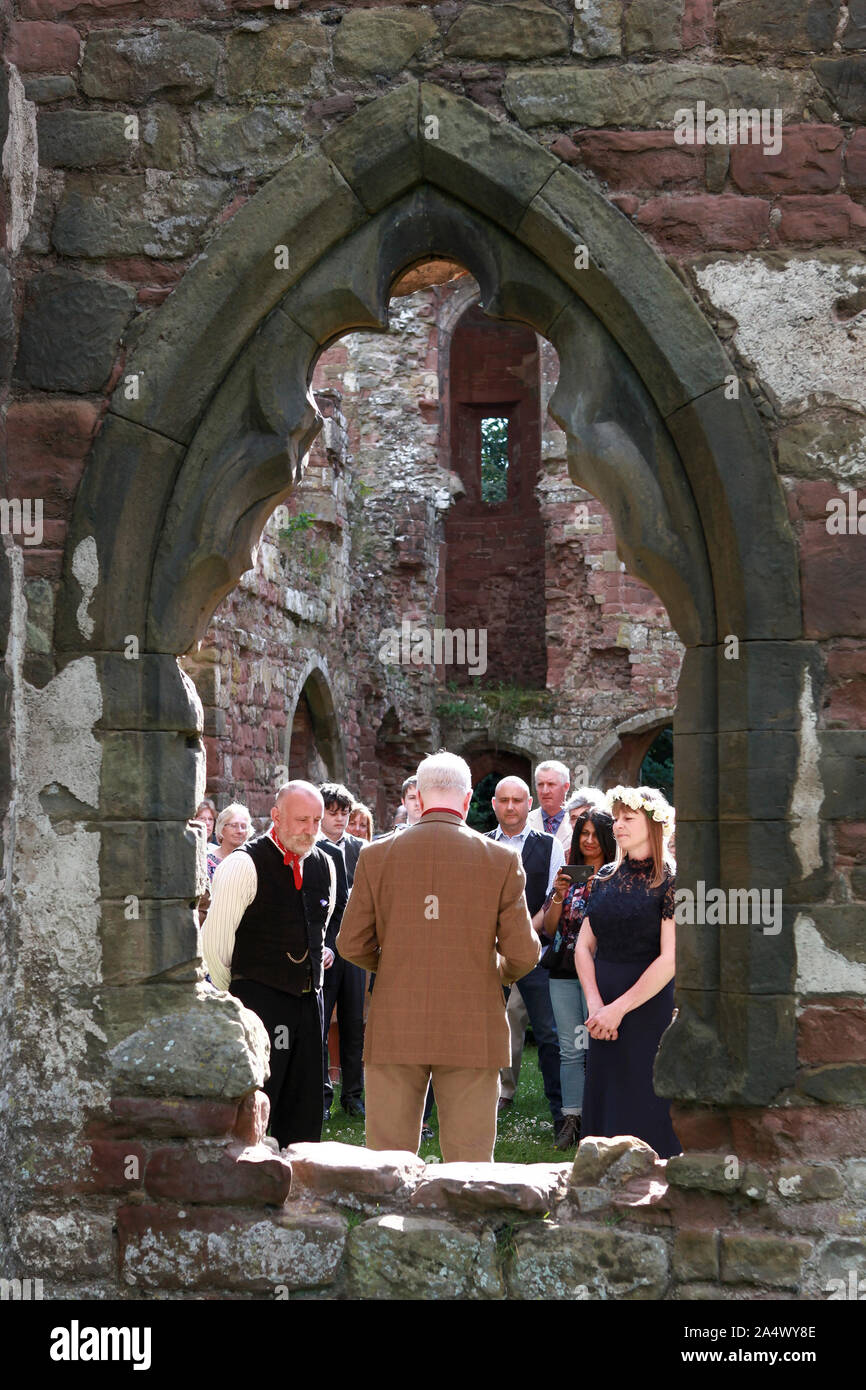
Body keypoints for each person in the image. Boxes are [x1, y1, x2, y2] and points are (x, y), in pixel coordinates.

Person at [336, 751, 540, 1161]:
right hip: (472, 1019)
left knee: (386, 1161)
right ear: (467, 800)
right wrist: (492, 971)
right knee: (470, 1161)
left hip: (396, 1017)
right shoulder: (501, 859)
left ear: (420, 797)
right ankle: (468, 1225)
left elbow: (351, 943)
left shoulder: (375, 856)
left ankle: (385, 1224)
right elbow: (522, 952)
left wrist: (395, 962)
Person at [202, 782, 337, 1148]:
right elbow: (214, 946)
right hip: (258, 1002)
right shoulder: (242, 864)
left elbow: (318, 933)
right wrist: (242, 999)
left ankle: (302, 1185)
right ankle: (248, 1184)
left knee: (306, 1107)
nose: (310, 829)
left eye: (316, 821)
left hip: (310, 1003)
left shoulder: (325, 864)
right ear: (276, 817)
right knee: (256, 1105)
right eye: (301, 820)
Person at [576, 785, 680, 1159]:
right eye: (615, 818)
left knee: (643, 1089)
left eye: (627, 818)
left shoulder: (671, 881)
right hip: (599, 1001)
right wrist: (594, 1004)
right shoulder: (604, 875)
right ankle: (600, 1172)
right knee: (605, 1087)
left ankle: (654, 1180)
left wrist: (618, 1009)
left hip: (646, 1001)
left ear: (653, 824)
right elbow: (583, 946)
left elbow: (670, 958)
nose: (617, 825)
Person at [488, 777, 567, 1141]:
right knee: (486, 1031)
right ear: (493, 804)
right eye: (503, 800)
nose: (510, 807)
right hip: (490, 955)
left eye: (517, 800)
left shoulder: (548, 845)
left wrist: (522, 936)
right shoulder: (482, 844)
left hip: (535, 951)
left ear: (528, 803)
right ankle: (482, 1106)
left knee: (549, 1034)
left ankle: (563, 1115)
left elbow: (554, 898)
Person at [542, 806, 617, 1149]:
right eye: (583, 834)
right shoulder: (568, 875)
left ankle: (602, 1119)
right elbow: (552, 927)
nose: (588, 840)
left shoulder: (617, 876)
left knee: (600, 1045)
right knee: (570, 1048)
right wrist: (559, 893)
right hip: (562, 969)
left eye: (594, 834)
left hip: (603, 971)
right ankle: (571, 1119)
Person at [317, 782, 366, 1121]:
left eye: (344, 813)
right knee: (319, 1024)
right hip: (323, 948)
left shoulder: (362, 849)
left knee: (354, 1025)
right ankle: (321, 1094)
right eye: (332, 813)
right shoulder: (312, 848)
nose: (339, 820)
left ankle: (353, 1095)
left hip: (356, 948)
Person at [526, 760, 573, 850]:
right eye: (540, 784)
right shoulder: (524, 822)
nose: (545, 791)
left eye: (551, 784)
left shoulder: (577, 822)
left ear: (566, 786)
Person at [207, 802, 253, 882]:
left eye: (244, 826)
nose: (239, 831)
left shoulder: (253, 861)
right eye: (234, 825)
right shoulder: (207, 862)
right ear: (222, 828)